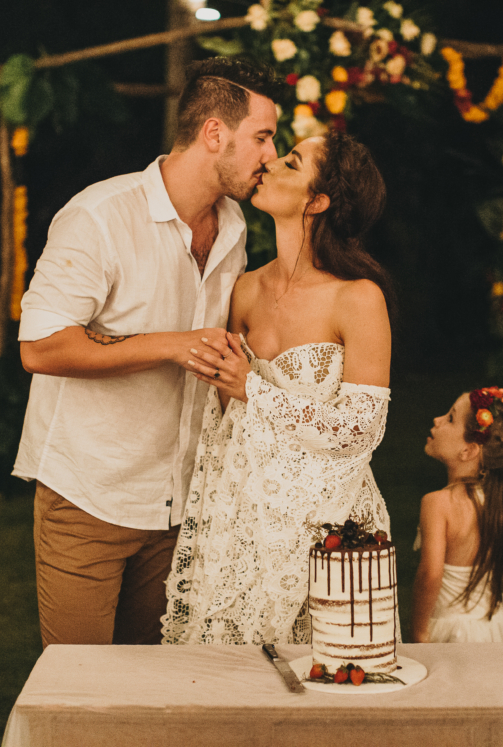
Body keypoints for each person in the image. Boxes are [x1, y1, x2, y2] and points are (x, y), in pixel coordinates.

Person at [12, 57, 284, 648]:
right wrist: (171, 345)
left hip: (178, 507)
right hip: (89, 496)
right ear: (214, 132)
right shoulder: (99, 217)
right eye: (263, 136)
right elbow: (40, 346)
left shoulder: (235, 226)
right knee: (80, 685)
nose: (271, 154)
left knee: (153, 688)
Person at [160, 130, 395, 645]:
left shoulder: (358, 298)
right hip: (244, 512)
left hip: (329, 520)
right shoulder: (245, 288)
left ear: (318, 201)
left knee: (330, 668)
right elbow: (229, 415)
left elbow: (359, 429)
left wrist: (253, 387)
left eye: (292, 162)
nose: (269, 163)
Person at [411, 388, 503, 643]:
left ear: (468, 451)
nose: (437, 420)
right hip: (494, 622)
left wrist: (419, 631)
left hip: (454, 633)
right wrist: (493, 571)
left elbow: (430, 575)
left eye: (450, 418)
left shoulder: (437, 504)